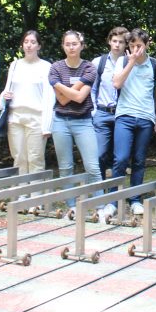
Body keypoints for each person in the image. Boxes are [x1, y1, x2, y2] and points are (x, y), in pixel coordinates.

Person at [110, 28, 156, 216]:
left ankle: (134, 199)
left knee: (139, 160)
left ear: (147, 44)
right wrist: (131, 62)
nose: (135, 49)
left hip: (146, 118)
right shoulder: (122, 61)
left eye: (139, 46)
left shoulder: (155, 65)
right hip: (124, 115)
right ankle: (113, 200)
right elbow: (116, 84)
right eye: (132, 46)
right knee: (121, 158)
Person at [49, 30, 102, 212]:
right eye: (67, 44)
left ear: (81, 45)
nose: (71, 47)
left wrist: (59, 86)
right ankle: (70, 206)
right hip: (60, 121)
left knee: (92, 166)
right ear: (63, 46)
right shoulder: (55, 67)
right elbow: (63, 101)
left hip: (83, 121)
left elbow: (79, 98)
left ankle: (99, 206)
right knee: (65, 167)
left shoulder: (89, 68)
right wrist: (74, 88)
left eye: (74, 44)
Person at [0, 30, 54, 175]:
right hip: (15, 118)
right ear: (22, 45)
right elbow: (5, 92)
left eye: (33, 42)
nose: (29, 45)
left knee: (36, 158)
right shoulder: (15, 65)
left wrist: (47, 125)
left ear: (39, 46)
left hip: (36, 118)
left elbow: (49, 97)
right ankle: (22, 194)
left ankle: (36, 194)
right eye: (26, 42)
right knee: (19, 158)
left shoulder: (46, 66)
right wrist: (4, 97)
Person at [92, 27, 129, 180]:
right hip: (102, 112)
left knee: (119, 158)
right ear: (109, 41)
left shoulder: (130, 63)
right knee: (99, 154)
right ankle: (100, 190)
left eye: (121, 42)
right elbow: (92, 89)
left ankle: (115, 192)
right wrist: (94, 111)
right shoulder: (98, 63)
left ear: (126, 44)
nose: (117, 45)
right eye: (114, 41)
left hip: (122, 114)